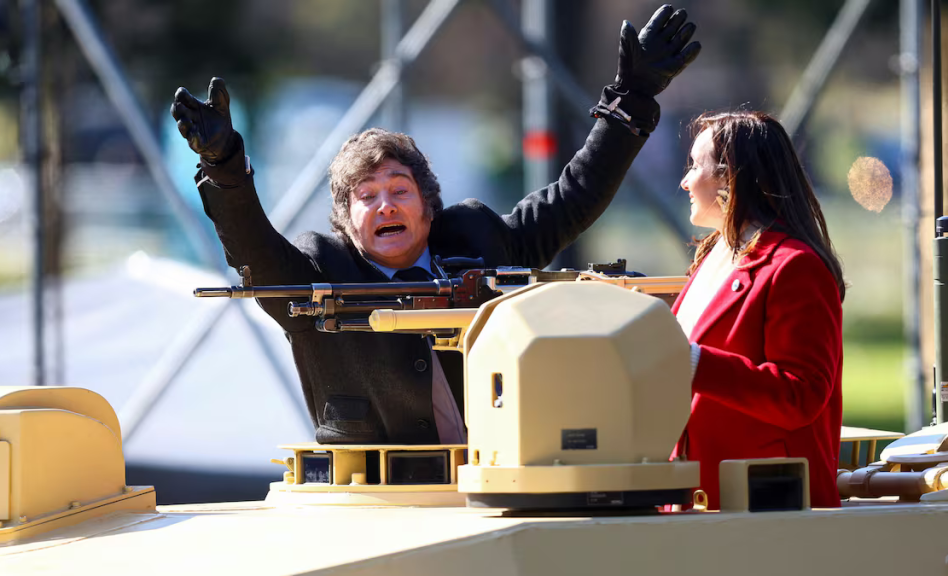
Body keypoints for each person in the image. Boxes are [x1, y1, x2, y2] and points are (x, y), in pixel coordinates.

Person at [171, 5, 701, 445]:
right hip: (376, 499)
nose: (386, 207)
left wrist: (634, 94)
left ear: (428, 206)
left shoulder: (476, 237)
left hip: (498, 483)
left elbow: (573, 197)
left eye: (400, 191)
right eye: (367, 197)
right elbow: (253, 251)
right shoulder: (318, 269)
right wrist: (224, 165)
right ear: (345, 221)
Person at [672, 110, 845, 509]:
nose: (685, 181)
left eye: (695, 166)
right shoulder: (713, 255)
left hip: (768, 505)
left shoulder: (794, 265)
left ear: (730, 177)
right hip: (703, 498)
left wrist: (695, 362)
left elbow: (801, 394)